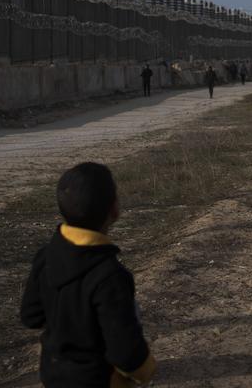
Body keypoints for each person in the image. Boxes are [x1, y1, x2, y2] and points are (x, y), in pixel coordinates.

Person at [20, 162, 156, 387]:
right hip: (98, 379)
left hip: (53, 373)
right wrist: (146, 369)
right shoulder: (110, 276)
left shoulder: (45, 256)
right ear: (114, 210)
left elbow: (31, 316)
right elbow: (126, 352)